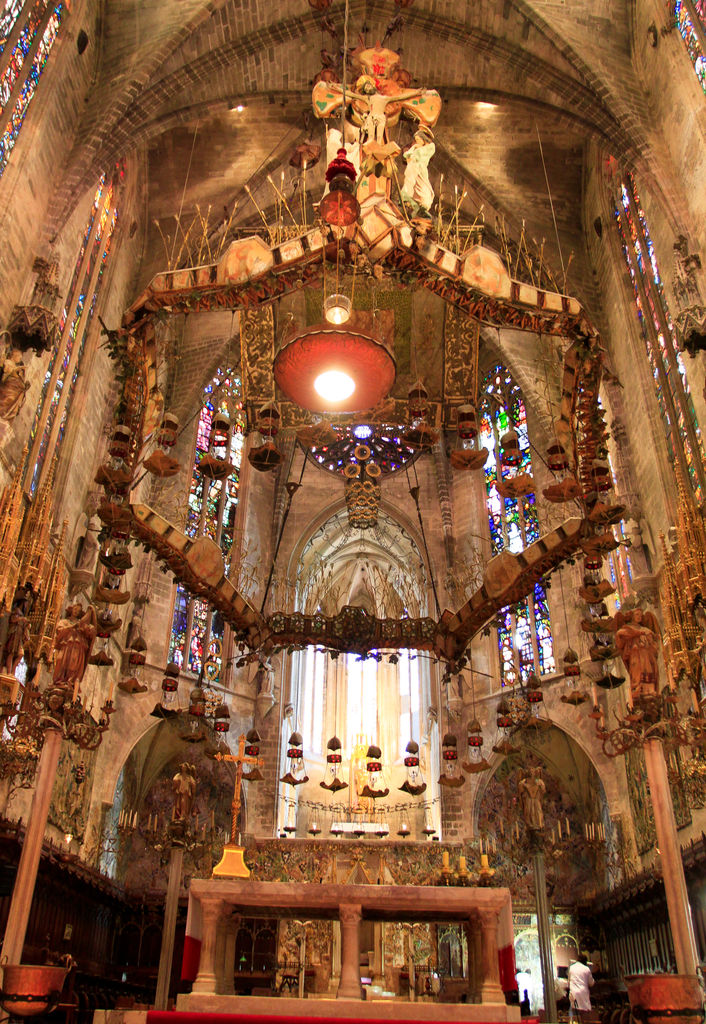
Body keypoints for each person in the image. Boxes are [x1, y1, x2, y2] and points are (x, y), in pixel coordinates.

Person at [568, 954, 594, 1021]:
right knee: (584, 1013)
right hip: (583, 993)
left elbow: (569, 981)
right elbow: (591, 983)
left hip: (573, 992)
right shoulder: (586, 969)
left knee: (574, 1013)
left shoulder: (571, 967)